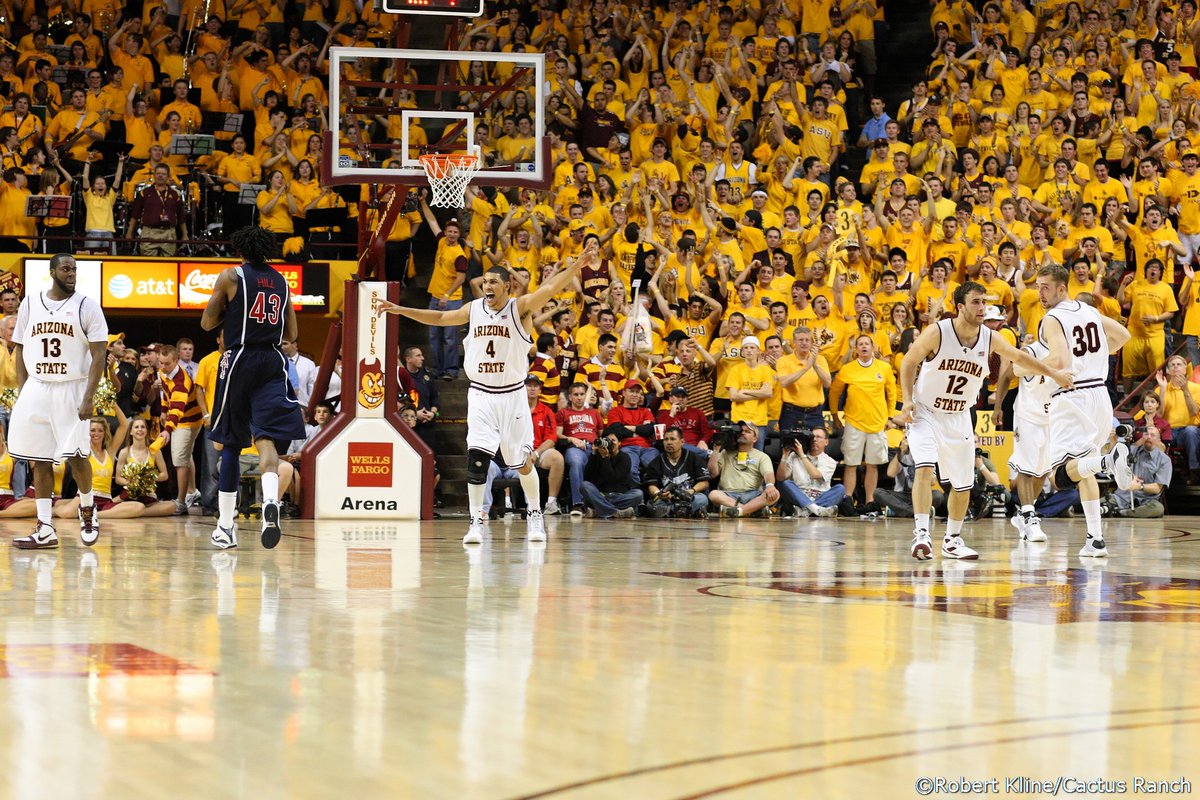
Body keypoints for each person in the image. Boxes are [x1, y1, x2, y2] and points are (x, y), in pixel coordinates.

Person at [376, 241, 592, 544]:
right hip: (480, 393)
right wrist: (400, 310)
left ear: (508, 286)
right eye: (486, 281)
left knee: (522, 462)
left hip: (513, 394)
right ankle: (476, 520)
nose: (487, 286)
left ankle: (534, 514)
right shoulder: (473, 308)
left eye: (494, 282)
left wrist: (576, 265)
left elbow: (550, 289)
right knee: (476, 459)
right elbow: (438, 318)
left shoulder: (520, 307)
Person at [896, 281, 1071, 561]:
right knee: (925, 468)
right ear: (960, 307)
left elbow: (1019, 357)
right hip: (925, 411)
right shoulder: (938, 332)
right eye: (976, 302)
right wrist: (906, 400)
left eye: (984, 302)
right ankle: (922, 535)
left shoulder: (990, 338)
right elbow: (909, 362)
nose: (982, 307)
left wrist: (1053, 372)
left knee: (963, 484)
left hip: (960, 415)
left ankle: (952, 540)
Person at [200, 227, 308, 550]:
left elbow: (207, 323)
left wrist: (228, 313)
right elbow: (292, 332)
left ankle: (224, 527)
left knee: (231, 443)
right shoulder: (281, 281)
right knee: (266, 439)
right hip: (273, 361)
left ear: (240, 249)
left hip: (239, 358)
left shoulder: (231, 276)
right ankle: (270, 502)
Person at [8, 254, 108, 549]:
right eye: (66, 269)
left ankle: (88, 511)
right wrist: (25, 390)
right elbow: (20, 347)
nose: (72, 274)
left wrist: (89, 397)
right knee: (39, 459)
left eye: (74, 270)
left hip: (71, 387)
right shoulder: (30, 303)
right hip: (38, 387)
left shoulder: (87, 305)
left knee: (77, 456)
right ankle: (44, 527)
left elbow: (99, 354)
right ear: (52, 272)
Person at [1034, 264, 1132, 558]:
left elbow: (1061, 361)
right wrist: (1099, 353)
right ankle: (1095, 539)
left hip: (1072, 395)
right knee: (1083, 468)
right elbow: (1123, 336)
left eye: (1046, 287)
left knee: (1061, 477)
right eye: (1038, 287)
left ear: (1061, 288)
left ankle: (1107, 462)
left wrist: (1025, 364)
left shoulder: (1052, 318)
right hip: (1100, 394)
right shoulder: (1088, 310)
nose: (1040, 293)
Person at [994, 335, 1055, 543]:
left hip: (1051, 418)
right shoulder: (1030, 352)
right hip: (1027, 416)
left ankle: (1022, 515)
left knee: (1043, 470)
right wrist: (997, 407)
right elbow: (1005, 378)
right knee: (1026, 468)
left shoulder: (1065, 350)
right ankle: (1030, 518)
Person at [829, 334, 896, 509]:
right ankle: (848, 499)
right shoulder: (847, 369)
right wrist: (835, 414)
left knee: (872, 465)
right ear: (856, 349)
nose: (864, 346)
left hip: (877, 423)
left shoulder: (885, 367)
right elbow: (834, 392)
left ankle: (869, 501)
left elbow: (891, 393)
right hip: (854, 422)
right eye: (860, 344)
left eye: (867, 344)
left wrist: (889, 417)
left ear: (873, 347)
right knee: (851, 464)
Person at [707, 421, 780, 518]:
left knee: (775, 494)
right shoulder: (725, 453)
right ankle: (750, 511)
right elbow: (713, 473)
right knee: (713, 494)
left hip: (753, 495)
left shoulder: (762, 456)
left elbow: (768, 474)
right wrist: (716, 450)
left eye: (747, 431)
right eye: (741, 431)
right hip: (729, 495)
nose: (743, 433)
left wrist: (770, 486)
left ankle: (737, 511)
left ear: (755, 438)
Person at [556, 381, 604, 515]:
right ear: (570, 397)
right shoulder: (563, 413)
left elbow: (602, 434)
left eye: (582, 394)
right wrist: (571, 438)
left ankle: (604, 502)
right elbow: (557, 434)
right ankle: (578, 504)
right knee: (576, 462)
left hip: (594, 447)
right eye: (576, 394)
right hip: (575, 447)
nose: (579, 397)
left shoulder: (595, 413)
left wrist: (599, 445)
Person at [642, 426, 710, 518]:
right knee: (656, 503)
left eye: (673, 439)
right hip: (667, 499)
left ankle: (671, 512)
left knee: (702, 499)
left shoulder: (694, 458)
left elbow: (704, 482)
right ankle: (688, 512)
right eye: (666, 439)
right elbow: (651, 485)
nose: (669, 442)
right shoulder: (656, 461)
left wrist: (691, 491)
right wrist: (659, 494)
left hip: (689, 497)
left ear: (682, 442)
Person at [1104, 426, 1172, 518]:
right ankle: (1116, 510)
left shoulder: (1164, 460)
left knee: (1158, 509)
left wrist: (1139, 486)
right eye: (1146, 434)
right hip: (1122, 497)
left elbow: (1157, 488)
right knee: (1095, 503)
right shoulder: (1131, 450)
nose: (1149, 437)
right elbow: (1111, 462)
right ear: (1142, 437)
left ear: (1159, 440)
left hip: (1146, 501)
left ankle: (1121, 512)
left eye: (1152, 435)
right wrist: (1113, 442)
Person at [777, 427, 844, 517]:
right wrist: (784, 457)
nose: (814, 439)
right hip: (799, 496)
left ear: (826, 442)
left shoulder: (829, 461)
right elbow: (780, 477)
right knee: (787, 483)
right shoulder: (793, 456)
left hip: (821, 496)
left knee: (840, 489)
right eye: (812, 437)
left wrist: (802, 455)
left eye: (818, 437)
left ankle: (806, 510)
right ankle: (816, 510)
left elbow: (815, 475)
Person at [580, 424, 643, 518]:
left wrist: (605, 458)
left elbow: (613, 479)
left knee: (638, 494)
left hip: (619, 495)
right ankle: (615, 512)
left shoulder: (625, 458)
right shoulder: (598, 455)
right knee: (584, 485)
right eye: (607, 440)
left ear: (619, 443)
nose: (610, 443)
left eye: (613, 440)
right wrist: (593, 454)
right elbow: (587, 477)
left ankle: (599, 511)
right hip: (601, 494)